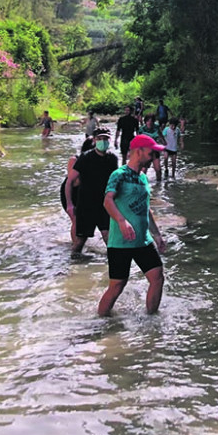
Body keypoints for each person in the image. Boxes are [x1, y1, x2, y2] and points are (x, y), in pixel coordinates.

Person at [99, 134, 167, 316]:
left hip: (143, 241)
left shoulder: (143, 178)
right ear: (139, 151)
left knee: (157, 277)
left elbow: (147, 209)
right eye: (151, 153)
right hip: (121, 242)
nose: (153, 157)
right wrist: (122, 221)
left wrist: (157, 235)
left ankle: (151, 318)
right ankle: (99, 321)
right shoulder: (119, 175)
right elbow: (107, 201)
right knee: (117, 286)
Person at [64, 127, 119, 253]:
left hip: (105, 205)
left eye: (106, 138)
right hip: (86, 205)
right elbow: (70, 181)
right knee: (80, 242)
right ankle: (73, 266)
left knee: (109, 238)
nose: (103, 141)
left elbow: (116, 181)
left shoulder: (112, 159)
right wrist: (70, 204)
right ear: (94, 140)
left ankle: (114, 266)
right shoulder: (85, 158)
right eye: (100, 138)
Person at [60, 137, 95, 213]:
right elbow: (75, 181)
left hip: (84, 194)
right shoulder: (74, 160)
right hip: (71, 193)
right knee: (76, 222)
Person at [138, 114, 165, 181]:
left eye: (151, 121)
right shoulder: (142, 129)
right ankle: (142, 184)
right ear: (145, 121)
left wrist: (164, 142)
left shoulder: (156, 127)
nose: (149, 123)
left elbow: (160, 134)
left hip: (155, 150)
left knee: (158, 170)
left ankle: (159, 186)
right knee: (143, 170)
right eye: (148, 121)